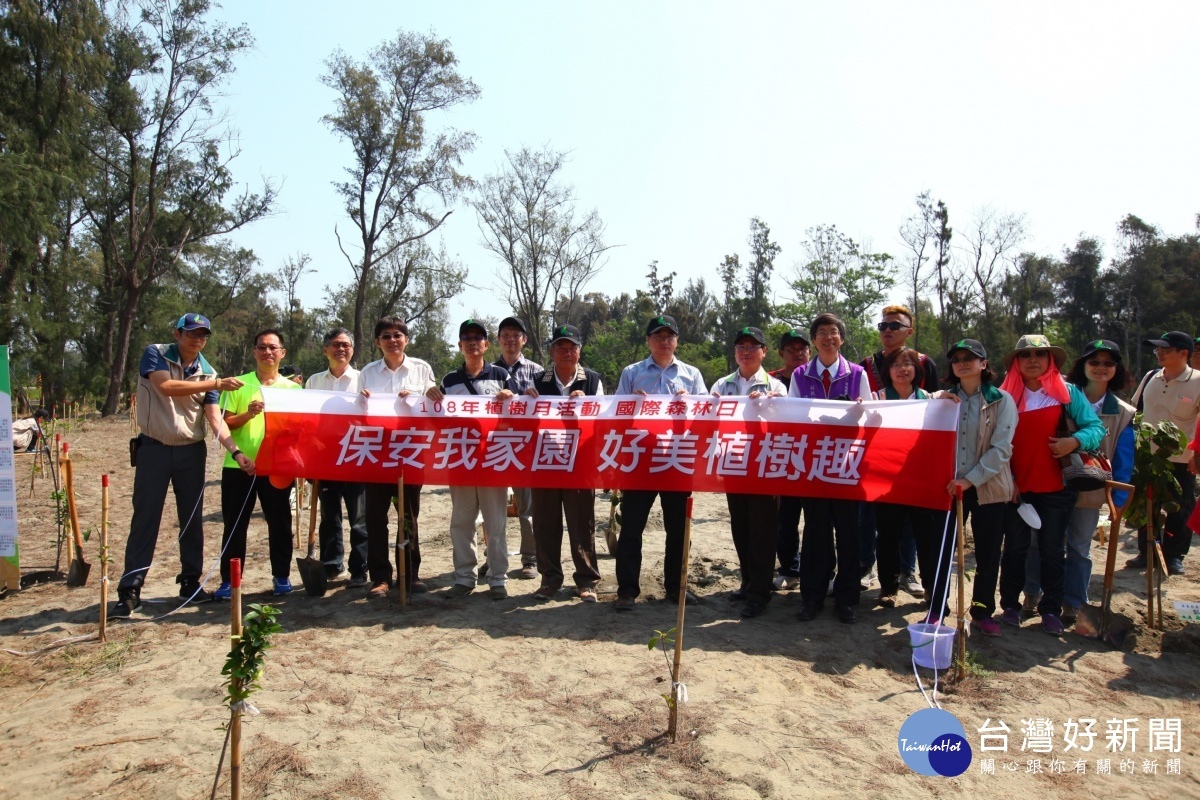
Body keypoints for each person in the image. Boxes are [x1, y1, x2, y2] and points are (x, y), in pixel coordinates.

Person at [112, 313, 250, 618]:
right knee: (146, 517)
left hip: (190, 451)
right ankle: (130, 589)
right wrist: (216, 382)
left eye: (203, 335)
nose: (197, 339)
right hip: (154, 449)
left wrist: (236, 451)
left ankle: (190, 582)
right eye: (191, 333)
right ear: (177, 334)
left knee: (191, 519)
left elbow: (215, 418)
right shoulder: (156, 354)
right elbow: (166, 387)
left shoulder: (208, 372)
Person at [997, 334, 1105, 636]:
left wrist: (1075, 440)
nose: (1033, 359)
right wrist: (1008, 480)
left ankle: (1051, 610)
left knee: (1052, 551)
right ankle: (1009, 606)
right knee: (1015, 550)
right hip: (1015, 488)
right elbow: (991, 441)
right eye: (1026, 354)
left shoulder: (1067, 393)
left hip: (1057, 488)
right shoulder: (1003, 396)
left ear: (1051, 360)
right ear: (1016, 362)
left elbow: (1095, 428)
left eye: (1040, 354)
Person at [1023, 340, 1134, 624]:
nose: (1100, 368)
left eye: (1108, 363)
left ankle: (1074, 603)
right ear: (1082, 366)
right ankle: (1032, 594)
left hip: (1091, 488)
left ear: (1116, 369)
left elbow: (1123, 458)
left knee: (1079, 547)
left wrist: (1118, 502)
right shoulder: (1061, 394)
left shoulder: (1123, 412)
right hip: (1051, 482)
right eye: (1094, 362)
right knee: (1041, 543)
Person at [613, 314, 708, 611]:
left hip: (677, 461)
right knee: (631, 528)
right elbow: (615, 412)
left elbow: (708, 413)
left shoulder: (691, 375)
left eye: (669, 336)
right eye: (658, 336)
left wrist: (689, 401)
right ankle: (627, 590)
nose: (664, 341)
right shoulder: (632, 372)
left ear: (677, 341)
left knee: (679, 529)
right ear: (648, 341)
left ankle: (675, 587)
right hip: (640, 460)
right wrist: (632, 400)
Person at [788, 312, 871, 624]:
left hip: (848, 465)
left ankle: (847, 598)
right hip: (814, 465)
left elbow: (871, 416)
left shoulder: (857, 373)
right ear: (814, 340)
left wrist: (858, 413)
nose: (828, 337)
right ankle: (812, 596)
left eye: (833, 332)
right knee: (815, 532)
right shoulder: (800, 376)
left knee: (849, 533)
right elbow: (792, 417)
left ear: (842, 338)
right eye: (821, 332)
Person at [427, 319, 517, 600]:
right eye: (466, 337)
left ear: (486, 345)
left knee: (496, 524)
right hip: (461, 460)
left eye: (478, 337)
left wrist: (511, 396)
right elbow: (437, 420)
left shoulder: (502, 375)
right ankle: (464, 578)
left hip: (493, 461)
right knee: (462, 522)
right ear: (459, 345)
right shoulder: (449, 381)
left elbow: (519, 415)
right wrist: (430, 397)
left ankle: (497, 579)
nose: (472, 341)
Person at [216, 329, 302, 598]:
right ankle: (230, 581)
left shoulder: (294, 389)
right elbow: (224, 423)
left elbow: (298, 429)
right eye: (262, 347)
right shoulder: (238, 384)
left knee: (279, 523)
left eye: (273, 348)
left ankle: (281, 577)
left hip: (276, 468)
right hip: (239, 466)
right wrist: (247, 414)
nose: (268, 352)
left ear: (282, 353)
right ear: (254, 352)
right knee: (235, 524)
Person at [938, 339, 1016, 637]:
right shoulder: (943, 401)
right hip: (949, 488)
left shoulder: (1002, 400)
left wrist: (969, 480)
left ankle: (982, 612)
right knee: (945, 551)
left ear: (984, 364)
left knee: (987, 553)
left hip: (988, 487)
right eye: (957, 358)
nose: (962, 362)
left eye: (970, 358)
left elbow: (1001, 450)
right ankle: (938, 609)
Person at [858, 305, 937, 597]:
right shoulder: (866, 364)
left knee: (915, 527)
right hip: (879, 464)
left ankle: (909, 572)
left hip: (916, 464)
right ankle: (870, 571)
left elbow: (939, 413)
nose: (888, 331)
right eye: (883, 326)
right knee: (874, 521)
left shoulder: (925, 364)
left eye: (895, 326)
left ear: (909, 331)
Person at [524, 324, 603, 602]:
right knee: (545, 523)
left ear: (580, 351)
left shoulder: (592, 381)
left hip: (580, 463)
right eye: (561, 347)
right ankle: (549, 579)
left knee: (582, 522)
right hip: (544, 461)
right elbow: (523, 421)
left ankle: (586, 580)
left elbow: (604, 421)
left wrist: (589, 403)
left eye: (572, 347)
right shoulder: (536, 381)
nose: (567, 352)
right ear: (551, 351)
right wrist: (525, 399)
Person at [359, 316, 436, 597]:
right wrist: (363, 400)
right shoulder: (367, 372)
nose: (392, 340)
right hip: (376, 453)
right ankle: (380, 577)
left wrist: (418, 396)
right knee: (376, 518)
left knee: (408, 516)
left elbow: (432, 401)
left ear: (406, 339)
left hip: (410, 452)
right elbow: (357, 413)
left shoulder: (421, 368)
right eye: (386, 336)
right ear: (377, 342)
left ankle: (410, 573)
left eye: (397, 335)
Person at [711, 326, 785, 618]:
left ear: (764, 352)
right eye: (741, 347)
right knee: (740, 527)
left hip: (764, 467)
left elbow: (784, 425)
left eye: (753, 347)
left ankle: (760, 593)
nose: (746, 352)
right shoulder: (721, 385)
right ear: (735, 352)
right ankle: (748, 580)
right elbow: (708, 420)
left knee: (763, 531)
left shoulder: (776, 387)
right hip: (733, 465)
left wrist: (769, 408)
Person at [871, 348, 946, 613]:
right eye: (896, 365)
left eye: (908, 364)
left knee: (925, 537)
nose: (902, 369)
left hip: (921, 480)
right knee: (888, 536)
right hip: (886, 480)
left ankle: (930, 589)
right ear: (887, 371)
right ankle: (888, 588)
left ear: (917, 370)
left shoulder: (932, 399)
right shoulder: (876, 399)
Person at [1128, 331, 1200, 575]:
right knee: (1147, 503)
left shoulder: (1198, 381)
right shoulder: (1151, 377)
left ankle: (1173, 555)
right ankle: (1146, 551)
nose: (1159, 353)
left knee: (1181, 506)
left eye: (1166, 350)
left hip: (1182, 458)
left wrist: (1196, 455)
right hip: (1147, 456)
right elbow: (1134, 411)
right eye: (1157, 349)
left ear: (1183, 353)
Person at [305, 327, 368, 586]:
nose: (340, 349)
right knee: (329, 516)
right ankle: (332, 564)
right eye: (335, 344)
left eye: (345, 345)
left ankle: (359, 569)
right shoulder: (313, 382)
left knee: (359, 519)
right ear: (325, 350)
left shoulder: (363, 379)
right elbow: (306, 420)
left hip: (357, 455)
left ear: (352, 350)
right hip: (325, 457)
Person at [493, 316, 543, 579]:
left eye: (516, 335)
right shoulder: (487, 371)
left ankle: (530, 559)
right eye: (505, 335)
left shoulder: (539, 372)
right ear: (498, 339)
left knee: (527, 508)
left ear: (524, 339)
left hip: (526, 447)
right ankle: (494, 559)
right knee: (494, 508)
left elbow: (548, 408)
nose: (510, 340)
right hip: (494, 448)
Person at [769, 329, 809, 591]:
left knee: (819, 521)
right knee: (785, 519)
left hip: (817, 456)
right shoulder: (771, 380)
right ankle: (790, 569)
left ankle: (820, 570)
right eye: (790, 349)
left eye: (802, 348)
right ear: (781, 353)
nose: (797, 353)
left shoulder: (815, 377)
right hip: (782, 456)